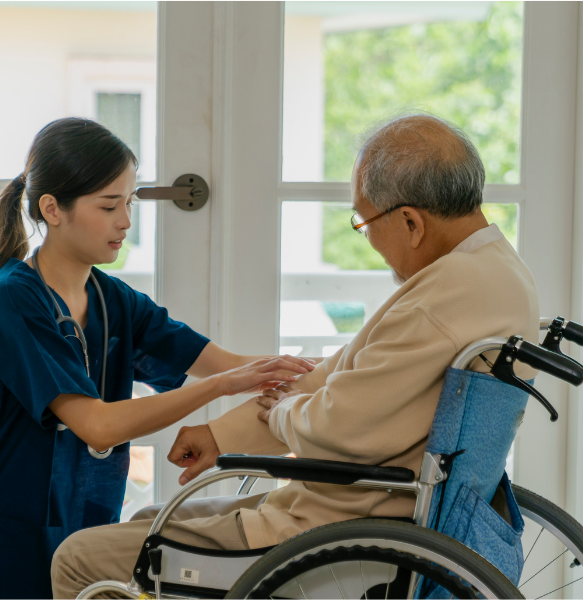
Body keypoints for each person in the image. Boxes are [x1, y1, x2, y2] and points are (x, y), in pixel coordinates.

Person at [49, 114, 540, 598]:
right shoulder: (490, 271)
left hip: (331, 531)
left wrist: (280, 410)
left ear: (411, 222)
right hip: (352, 509)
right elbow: (331, 377)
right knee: (147, 520)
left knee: (78, 558)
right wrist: (221, 436)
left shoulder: (442, 297)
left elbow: (337, 423)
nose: (367, 237)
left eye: (364, 222)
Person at [0, 118, 314, 599]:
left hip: (63, 536)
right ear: (52, 209)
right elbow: (98, 425)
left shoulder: (113, 300)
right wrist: (223, 385)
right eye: (109, 205)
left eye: (130, 203)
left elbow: (228, 363)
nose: (126, 221)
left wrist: (339, 368)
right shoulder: (9, 300)